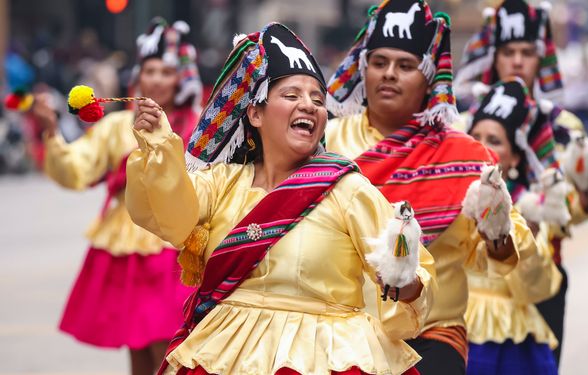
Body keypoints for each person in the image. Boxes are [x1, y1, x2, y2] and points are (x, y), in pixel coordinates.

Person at [126, 22, 436, 375]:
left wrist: (403, 280)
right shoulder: (222, 182)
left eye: (317, 100)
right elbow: (171, 219)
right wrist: (160, 149)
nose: (309, 106)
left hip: (322, 357)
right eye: (291, 96)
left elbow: (414, 277)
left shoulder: (347, 189)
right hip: (228, 352)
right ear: (255, 113)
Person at [324, 1, 536, 373]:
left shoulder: (466, 157)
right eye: (379, 62)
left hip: (431, 337)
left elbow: (512, 254)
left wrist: (497, 232)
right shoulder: (325, 145)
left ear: (429, 79)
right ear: (363, 69)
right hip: (339, 336)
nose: (389, 74)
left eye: (405, 66)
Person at [30, 18, 202, 375]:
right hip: (126, 246)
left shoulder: (198, 126)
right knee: (137, 349)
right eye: (149, 70)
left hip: (174, 246)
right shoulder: (115, 127)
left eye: (165, 72)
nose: (155, 79)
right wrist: (50, 132)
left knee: (170, 349)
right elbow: (77, 170)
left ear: (181, 79)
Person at [454, 0, 588, 365]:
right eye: (508, 52)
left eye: (527, 52)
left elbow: (572, 213)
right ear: (493, 54)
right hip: (472, 287)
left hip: (540, 279)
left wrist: (579, 195)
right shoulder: (464, 125)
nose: (517, 61)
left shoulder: (563, 128)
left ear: (542, 57)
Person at [465, 78, 563, 374]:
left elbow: (539, 288)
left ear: (516, 156)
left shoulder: (528, 209)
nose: (481, 147)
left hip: (515, 343)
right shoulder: (446, 201)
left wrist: (524, 238)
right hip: (457, 331)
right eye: (475, 136)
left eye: (494, 140)